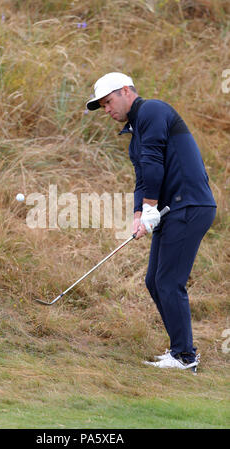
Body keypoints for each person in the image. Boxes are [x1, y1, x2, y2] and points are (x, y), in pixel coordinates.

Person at [86, 72, 216, 372]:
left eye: (108, 102)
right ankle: (180, 351)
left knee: (169, 282)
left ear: (125, 91)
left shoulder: (153, 111)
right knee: (154, 281)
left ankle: (185, 357)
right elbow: (143, 176)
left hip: (190, 205)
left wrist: (149, 209)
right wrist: (138, 216)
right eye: (103, 106)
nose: (107, 110)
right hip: (171, 210)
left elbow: (155, 162)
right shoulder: (136, 132)